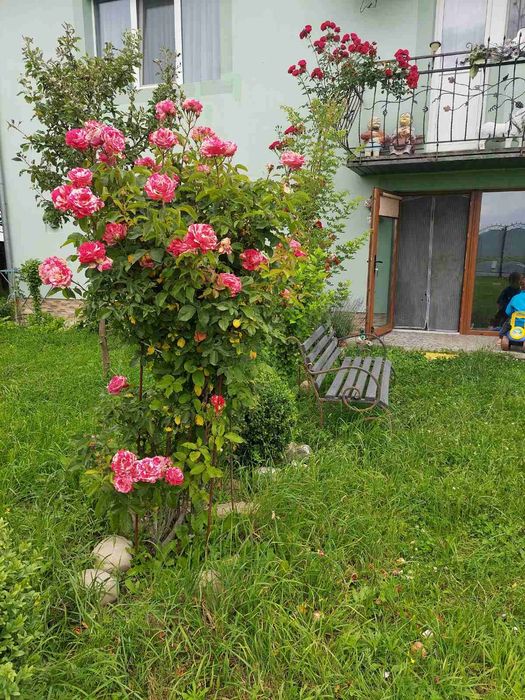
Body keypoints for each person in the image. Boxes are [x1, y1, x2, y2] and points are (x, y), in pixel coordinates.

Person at [501, 274, 525, 351]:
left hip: (515, 322)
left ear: (520, 287)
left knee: (506, 324)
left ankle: (502, 336)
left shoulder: (515, 297)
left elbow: (508, 312)